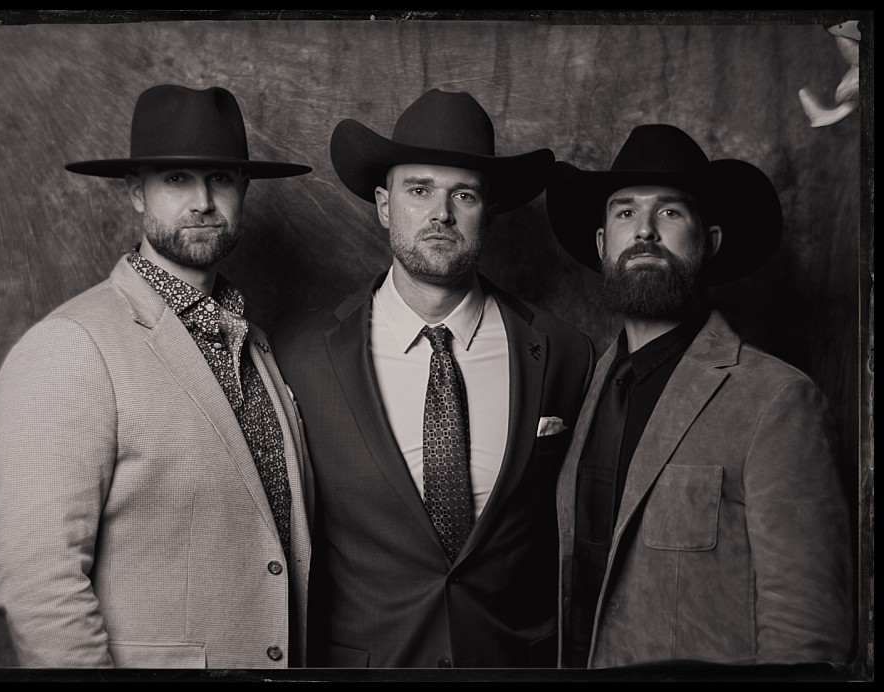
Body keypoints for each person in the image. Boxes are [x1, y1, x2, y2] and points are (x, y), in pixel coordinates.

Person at [0, 84, 315, 669]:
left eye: (220, 179)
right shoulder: (73, 345)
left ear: (243, 190)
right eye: (176, 179)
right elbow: (39, 580)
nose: (202, 201)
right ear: (136, 192)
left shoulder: (254, 342)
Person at [272, 89, 595, 668]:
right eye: (419, 191)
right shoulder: (300, 353)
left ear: (488, 211)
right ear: (384, 205)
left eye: (463, 194)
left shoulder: (565, 352)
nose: (440, 214)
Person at [545, 124, 855, 668]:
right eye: (624, 213)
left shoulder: (777, 400)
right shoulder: (577, 386)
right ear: (602, 246)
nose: (644, 231)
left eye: (669, 212)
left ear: (708, 241)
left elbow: (807, 635)